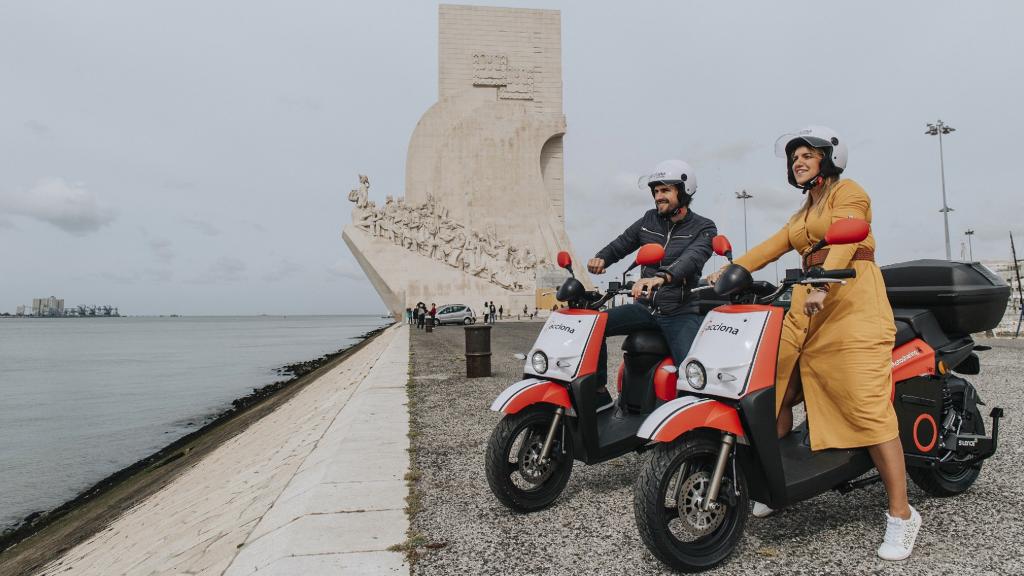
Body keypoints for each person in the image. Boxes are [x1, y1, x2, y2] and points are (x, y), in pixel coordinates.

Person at [707, 126, 920, 561]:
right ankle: (775, 484)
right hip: (807, 306)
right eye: (794, 158)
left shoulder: (849, 192)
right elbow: (770, 247)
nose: (798, 162)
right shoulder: (803, 212)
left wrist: (824, 282)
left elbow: (847, 236)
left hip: (851, 304)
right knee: (773, 390)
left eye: (807, 155)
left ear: (829, 158)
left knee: (868, 407)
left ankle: (902, 513)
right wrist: (728, 272)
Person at [588, 159, 716, 411]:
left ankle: (694, 421)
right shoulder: (649, 220)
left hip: (679, 311)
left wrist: (663, 276)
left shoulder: (704, 227)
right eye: (656, 191)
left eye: (665, 190)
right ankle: (599, 393)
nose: (658, 197)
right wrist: (602, 258)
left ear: (684, 191)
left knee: (693, 374)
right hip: (645, 309)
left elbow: (692, 258)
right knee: (594, 325)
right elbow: (622, 243)